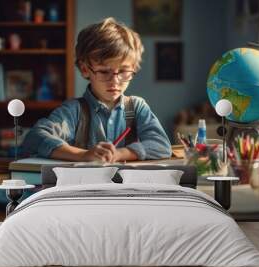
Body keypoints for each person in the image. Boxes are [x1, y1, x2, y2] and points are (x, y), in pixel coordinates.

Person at [21, 17, 172, 163]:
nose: (115, 81)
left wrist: (119, 154)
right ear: (85, 69)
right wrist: (83, 155)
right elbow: (35, 138)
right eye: (104, 72)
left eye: (124, 72)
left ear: (133, 68)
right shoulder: (74, 111)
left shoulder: (137, 107)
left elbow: (161, 145)